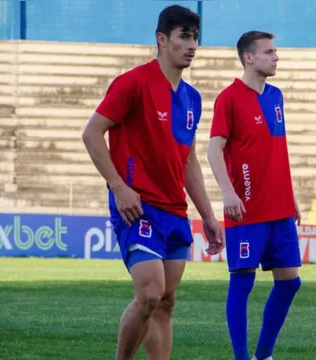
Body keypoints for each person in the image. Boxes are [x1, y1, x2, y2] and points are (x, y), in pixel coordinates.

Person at [81, 5, 224, 360]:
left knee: (165, 303)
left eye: (195, 38)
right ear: (162, 39)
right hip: (138, 207)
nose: (192, 45)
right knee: (149, 294)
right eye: (184, 37)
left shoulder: (192, 99)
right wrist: (117, 184)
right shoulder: (133, 83)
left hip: (175, 212)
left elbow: (188, 161)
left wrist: (208, 215)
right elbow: (92, 133)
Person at [207, 31, 302, 360]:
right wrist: (228, 191)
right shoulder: (229, 98)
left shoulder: (276, 96)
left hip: (280, 208)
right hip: (246, 209)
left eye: (275, 51)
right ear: (249, 57)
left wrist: (292, 199)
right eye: (269, 52)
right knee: (242, 283)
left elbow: (277, 151)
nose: (276, 57)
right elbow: (213, 150)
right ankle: (242, 357)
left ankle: (263, 355)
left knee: (290, 282)